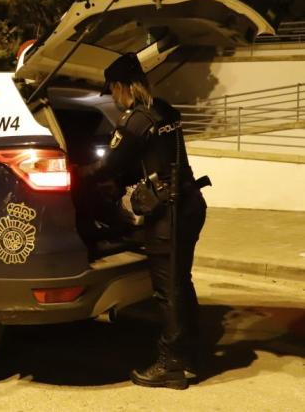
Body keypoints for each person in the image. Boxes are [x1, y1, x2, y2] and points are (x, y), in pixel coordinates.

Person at [77, 52, 208, 390]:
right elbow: (149, 157)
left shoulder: (136, 120)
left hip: (169, 213)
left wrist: (76, 175)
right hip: (190, 203)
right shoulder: (165, 110)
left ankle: (172, 364)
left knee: (168, 291)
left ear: (123, 86)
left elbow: (110, 165)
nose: (113, 97)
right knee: (181, 282)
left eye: (113, 90)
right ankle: (192, 354)